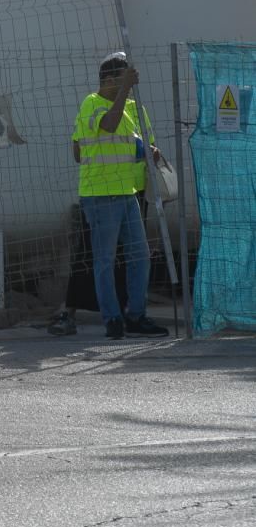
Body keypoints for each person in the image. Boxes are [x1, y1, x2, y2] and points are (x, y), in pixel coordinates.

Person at [70, 51, 169, 339]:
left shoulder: (131, 109)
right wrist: (124, 88)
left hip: (127, 194)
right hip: (101, 196)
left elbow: (135, 143)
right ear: (110, 79)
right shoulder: (92, 103)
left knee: (140, 255)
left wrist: (148, 152)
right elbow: (105, 129)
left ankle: (136, 315)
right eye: (124, 80)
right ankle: (112, 319)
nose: (130, 88)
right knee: (105, 260)